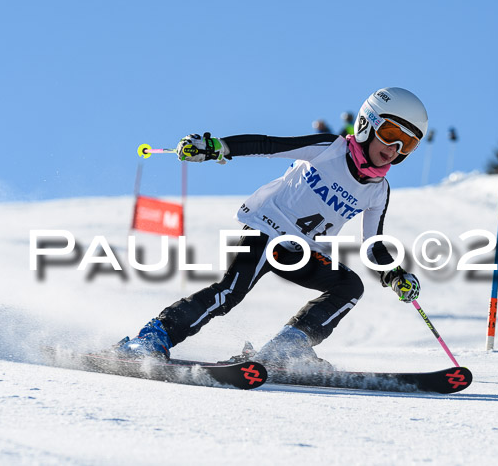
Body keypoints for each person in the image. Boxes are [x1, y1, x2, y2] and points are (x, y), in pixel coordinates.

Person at [118, 87, 428, 369]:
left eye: (408, 143)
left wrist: (395, 274)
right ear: (367, 123)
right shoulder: (329, 148)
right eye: (390, 133)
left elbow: (373, 245)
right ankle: (149, 339)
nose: (395, 147)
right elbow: (269, 145)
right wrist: (217, 147)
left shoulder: (378, 190)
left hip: (300, 251)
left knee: (349, 287)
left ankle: (286, 348)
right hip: (265, 228)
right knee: (229, 292)